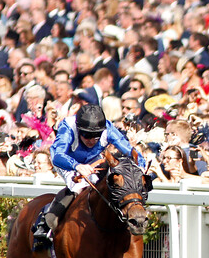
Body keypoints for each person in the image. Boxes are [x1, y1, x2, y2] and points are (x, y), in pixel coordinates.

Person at [32, 104, 144, 249]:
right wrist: (77, 166)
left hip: (92, 159)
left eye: (96, 136)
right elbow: (59, 155)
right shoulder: (68, 126)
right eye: (86, 135)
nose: (92, 140)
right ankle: (46, 222)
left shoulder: (108, 128)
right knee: (79, 186)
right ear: (79, 129)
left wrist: (140, 165)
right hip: (66, 160)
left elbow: (130, 150)